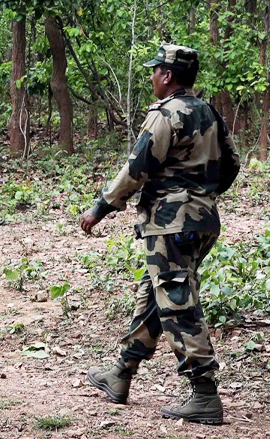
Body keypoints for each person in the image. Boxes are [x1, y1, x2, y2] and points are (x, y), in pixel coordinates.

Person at [79, 44, 240, 426]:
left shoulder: (166, 114)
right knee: (156, 295)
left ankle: (204, 394)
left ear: (168, 75)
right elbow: (232, 164)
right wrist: (201, 195)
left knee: (177, 302)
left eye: (155, 71)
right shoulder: (210, 112)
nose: (151, 76)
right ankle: (121, 373)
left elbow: (138, 168)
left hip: (171, 223)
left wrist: (100, 208)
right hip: (202, 220)